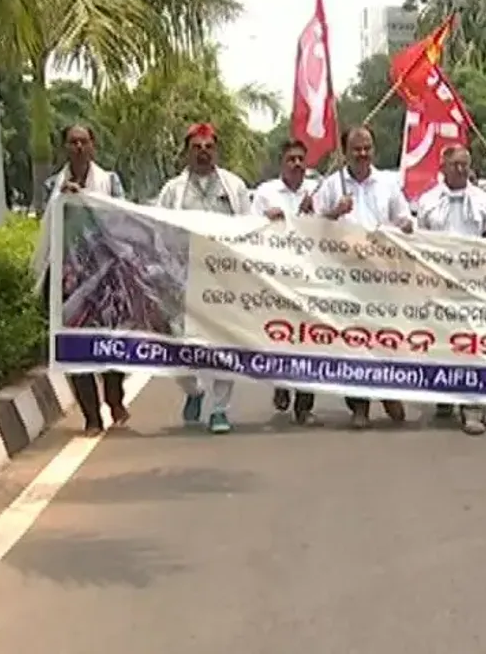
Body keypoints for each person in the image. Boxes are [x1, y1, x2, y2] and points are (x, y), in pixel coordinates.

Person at [313, 126, 416, 429]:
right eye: (356, 149)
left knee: (385, 338)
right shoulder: (331, 185)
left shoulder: (387, 184)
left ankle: (388, 393)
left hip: (382, 275)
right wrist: (334, 212)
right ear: (345, 152)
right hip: (345, 277)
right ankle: (360, 406)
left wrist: (406, 226)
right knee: (354, 342)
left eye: (367, 148)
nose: (362, 154)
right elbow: (310, 227)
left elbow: (405, 218)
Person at [155, 123, 252, 434]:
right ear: (186, 152)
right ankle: (194, 391)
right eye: (196, 147)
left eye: (208, 147)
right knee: (175, 343)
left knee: (224, 344)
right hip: (181, 276)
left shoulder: (234, 187)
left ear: (217, 151)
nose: (203, 152)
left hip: (223, 278)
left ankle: (220, 410)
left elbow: (249, 229)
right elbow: (157, 230)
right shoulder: (172, 191)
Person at [40, 124, 131, 436]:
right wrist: (61, 202)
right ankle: (91, 417)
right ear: (65, 147)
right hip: (69, 280)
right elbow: (47, 226)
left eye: (84, 141)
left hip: (107, 276)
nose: (78, 147)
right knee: (76, 349)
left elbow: (121, 218)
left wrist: (88, 199)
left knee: (113, 343)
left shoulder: (110, 182)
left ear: (94, 146)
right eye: (72, 142)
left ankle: (115, 397)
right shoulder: (53, 185)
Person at [415, 144, 486, 435]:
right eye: (455, 164)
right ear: (443, 167)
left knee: (472, 345)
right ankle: (445, 397)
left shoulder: (482, 199)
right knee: (444, 343)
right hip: (438, 285)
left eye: (465, 164)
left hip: (474, 284)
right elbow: (419, 240)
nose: (461, 169)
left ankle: (472, 408)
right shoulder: (428, 201)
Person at [251, 139, 319, 425]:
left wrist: (316, 213)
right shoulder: (266, 193)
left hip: (311, 277)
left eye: (301, 159)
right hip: (277, 276)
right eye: (291, 159)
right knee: (280, 336)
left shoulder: (317, 191)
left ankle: (304, 405)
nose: (297, 164)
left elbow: (333, 228)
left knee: (310, 339)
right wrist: (267, 220)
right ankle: (281, 384)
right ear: (282, 163)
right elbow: (245, 227)